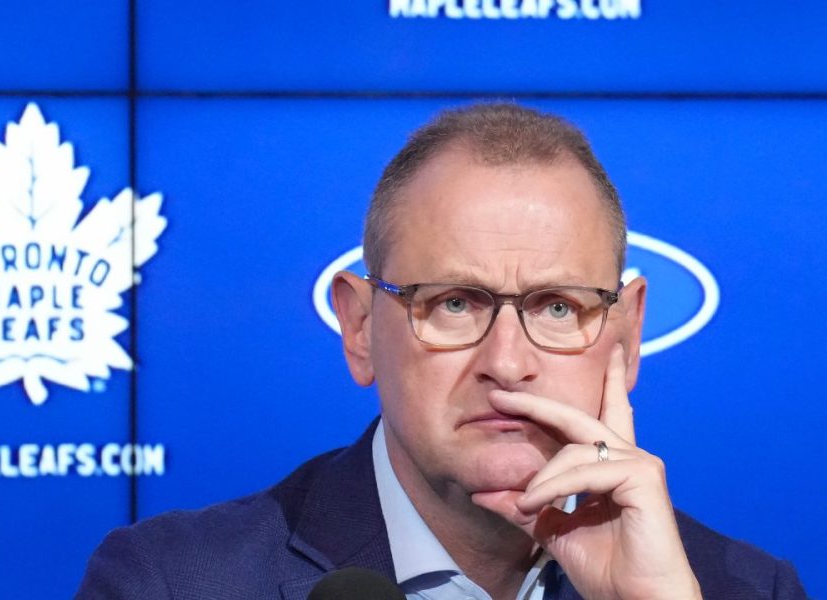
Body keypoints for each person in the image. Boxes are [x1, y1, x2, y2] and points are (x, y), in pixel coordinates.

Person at [76, 104, 807, 599]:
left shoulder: (743, 588)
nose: (508, 362)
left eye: (558, 307)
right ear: (360, 329)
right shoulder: (172, 583)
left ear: (627, 334)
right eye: (455, 303)